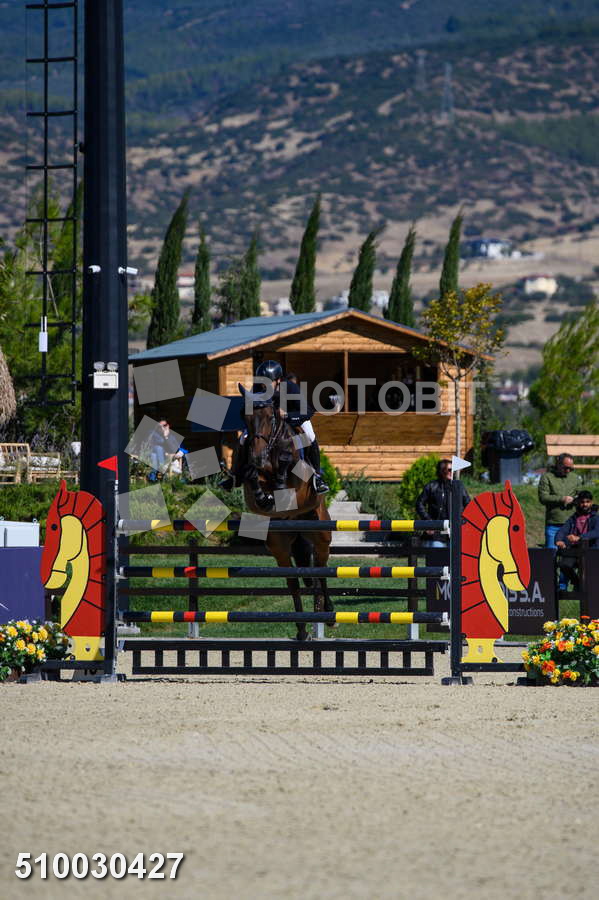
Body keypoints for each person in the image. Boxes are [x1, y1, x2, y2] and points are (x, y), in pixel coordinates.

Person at [220, 361, 328, 494]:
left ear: (278, 380)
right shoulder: (257, 387)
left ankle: (317, 476)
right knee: (244, 438)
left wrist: (287, 415)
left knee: (310, 436)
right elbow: (247, 409)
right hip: (267, 423)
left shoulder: (290, 388)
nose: (263, 386)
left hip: (294, 418)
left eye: (267, 382)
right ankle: (236, 476)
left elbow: (307, 412)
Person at [416, 459, 471, 546]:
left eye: (453, 470)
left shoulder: (459, 487)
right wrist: (428, 521)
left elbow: (469, 506)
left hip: (454, 532)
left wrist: (462, 522)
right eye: (449, 470)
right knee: (436, 551)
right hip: (436, 532)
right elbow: (419, 504)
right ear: (442, 471)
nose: (452, 472)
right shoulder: (431, 486)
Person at [555, 491, 599, 590]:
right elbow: (562, 530)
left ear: (591, 502)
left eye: (587, 502)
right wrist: (559, 540)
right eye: (582, 502)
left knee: (590, 580)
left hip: (591, 551)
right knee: (563, 564)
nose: (585, 504)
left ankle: (583, 587)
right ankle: (577, 583)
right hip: (574, 550)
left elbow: (596, 532)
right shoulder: (574, 517)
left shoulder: (596, 518)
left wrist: (580, 537)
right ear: (578, 502)